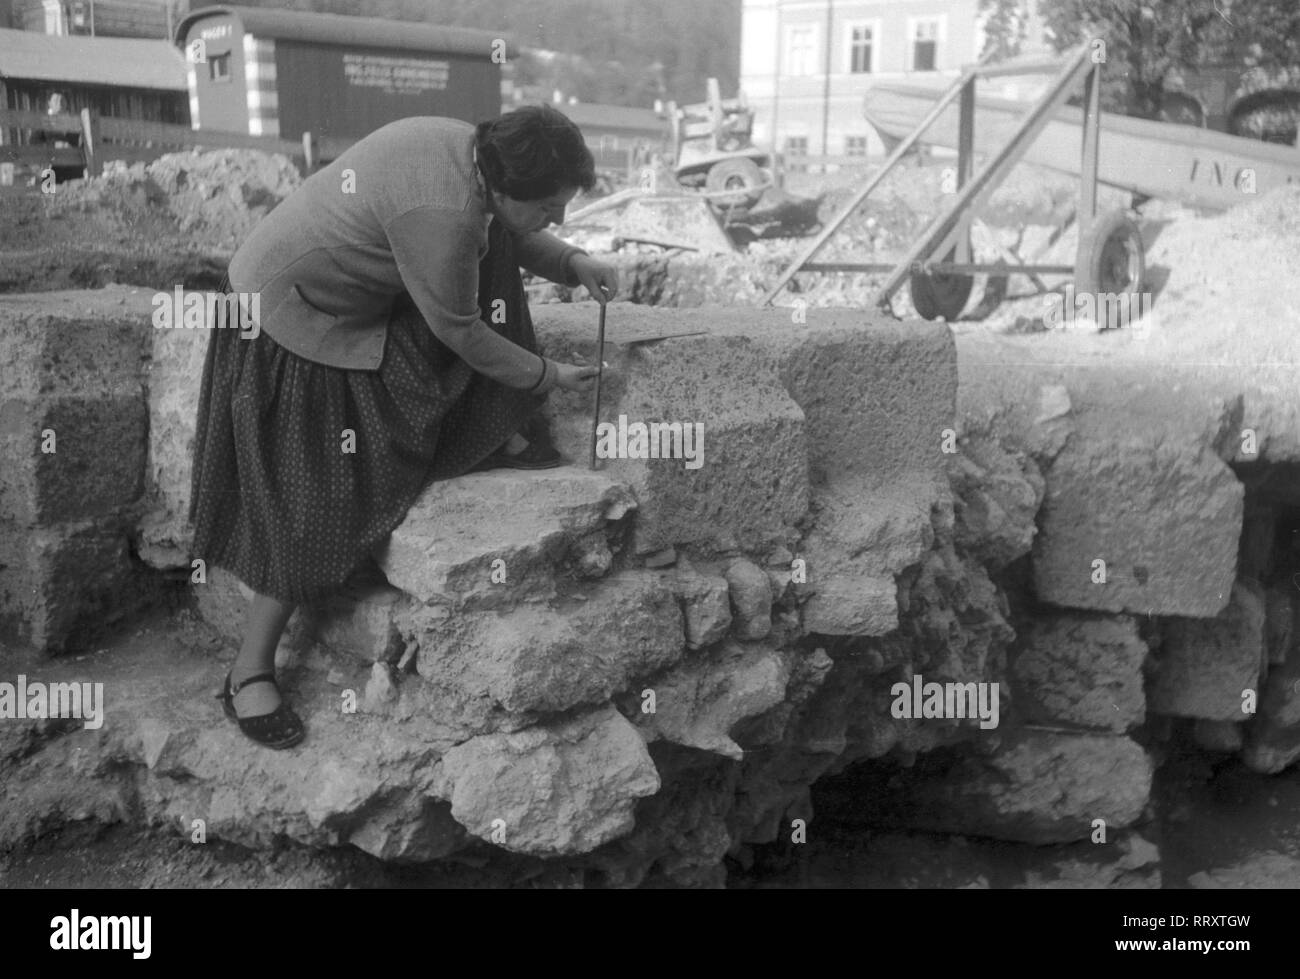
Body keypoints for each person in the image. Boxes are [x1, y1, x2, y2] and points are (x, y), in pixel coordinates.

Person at [189, 105, 618, 749]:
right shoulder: (444, 216)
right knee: (318, 496)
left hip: (358, 295)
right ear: (504, 183)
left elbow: (505, 229)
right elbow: (459, 327)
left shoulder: (470, 154)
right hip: (289, 323)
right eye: (551, 209)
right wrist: (547, 376)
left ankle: (490, 426)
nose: (556, 220)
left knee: (492, 256)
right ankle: (249, 670)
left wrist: (571, 261)